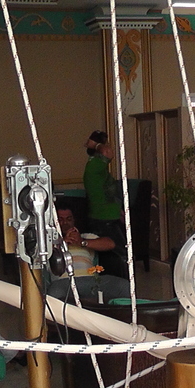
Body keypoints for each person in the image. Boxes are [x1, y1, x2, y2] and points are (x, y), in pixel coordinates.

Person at [46, 203, 131, 304]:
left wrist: (82, 242)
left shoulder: (86, 237)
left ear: (74, 221)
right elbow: (41, 255)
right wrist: (62, 242)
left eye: (69, 219)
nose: (65, 223)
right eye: (60, 219)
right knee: (54, 292)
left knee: (124, 286)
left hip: (91, 280)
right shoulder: (48, 242)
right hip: (64, 282)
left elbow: (110, 244)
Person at [83, 130, 128, 278]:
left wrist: (118, 210)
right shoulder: (94, 165)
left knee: (119, 255)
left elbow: (107, 192)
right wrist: (95, 145)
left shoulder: (98, 167)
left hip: (109, 217)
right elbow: (108, 152)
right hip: (103, 220)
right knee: (120, 256)